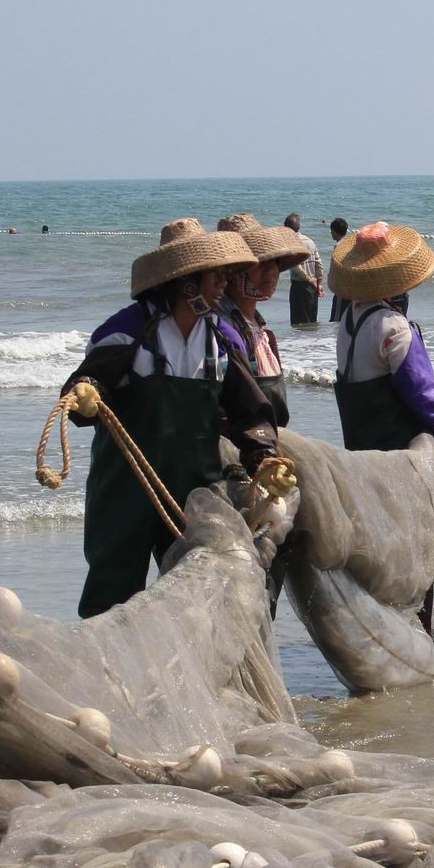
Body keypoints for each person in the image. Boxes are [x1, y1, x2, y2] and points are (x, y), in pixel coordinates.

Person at [62, 220, 280, 618]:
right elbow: (83, 388)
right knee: (112, 597)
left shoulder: (221, 341)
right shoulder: (127, 333)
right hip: (125, 491)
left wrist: (263, 455)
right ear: (185, 281)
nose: (224, 285)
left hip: (193, 493)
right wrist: (85, 394)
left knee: (195, 600)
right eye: (216, 276)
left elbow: (250, 411)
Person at [331, 222, 434, 633]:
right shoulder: (392, 327)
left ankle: (388, 626)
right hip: (401, 453)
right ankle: (421, 630)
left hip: (362, 449)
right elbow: (421, 393)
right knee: (419, 541)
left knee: (383, 541)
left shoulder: (349, 324)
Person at [216, 213, 311, 426]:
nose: (272, 271)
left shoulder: (259, 326)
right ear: (233, 273)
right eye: (260, 264)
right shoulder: (223, 328)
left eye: (275, 262)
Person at [284, 214, 323, 326]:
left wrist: (310, 280)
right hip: (313, 288)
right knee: (312, 322)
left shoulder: (292, 243)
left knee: (299, 323)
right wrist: (318, 284)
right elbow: (319, 264)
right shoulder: (310, 241)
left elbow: (296, 267)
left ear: (287, 229)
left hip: (300, 287)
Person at [326, 218, 351, 323]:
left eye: (331, 230)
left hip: (341, 287)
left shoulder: (339, 246)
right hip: (351, 287)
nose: (331, 233)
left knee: (337, 319)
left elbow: (336, 267)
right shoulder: (350, 243)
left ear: (335, 231)